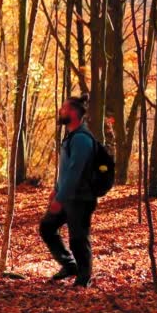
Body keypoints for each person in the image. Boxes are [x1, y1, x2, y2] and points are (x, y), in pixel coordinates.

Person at [39, 94, 97, 288]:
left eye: (64, 109)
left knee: (79, 238)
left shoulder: (81, 139)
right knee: (47, 227)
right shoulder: (71, 136)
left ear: (72, 113)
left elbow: (75, 171)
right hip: (67, 196)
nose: (60, 111)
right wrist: (57, 190)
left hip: (81, 198)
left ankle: (84, 278)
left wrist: (60, 198)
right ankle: (70, 265)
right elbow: (66, 170)